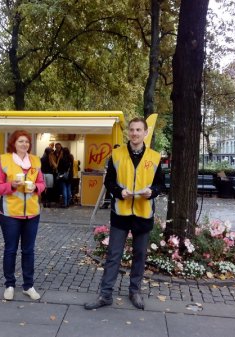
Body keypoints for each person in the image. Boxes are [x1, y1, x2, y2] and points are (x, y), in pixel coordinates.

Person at [84, 117, 163, 311]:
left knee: (140, 255)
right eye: (132, 130)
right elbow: (108, 182)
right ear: (129, 132)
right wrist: (119, 192)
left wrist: (151, 192)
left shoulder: (154, 157)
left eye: (138, 130)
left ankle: (134, 291)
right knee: (113, 255)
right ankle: (105, 294)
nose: (135, 133)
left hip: (143, 214)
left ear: (145, 133)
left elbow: (161, 184)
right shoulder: (117, 154)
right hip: (121, 213)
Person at [0, 130, 45, 301]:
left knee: (28, 251)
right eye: (21, 141)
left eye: (27, 142)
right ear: (14, 143)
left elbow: (42, 183)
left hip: (32, 213)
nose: (24, 144)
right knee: (10, 250)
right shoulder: (5, 160)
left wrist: (36, 187)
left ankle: (28, 286)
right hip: (10, 214)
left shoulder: (35, 161)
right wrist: (11, 185)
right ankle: (9, 285)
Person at [100, 144, 121, 209]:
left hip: (120, 178)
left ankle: (116, 204)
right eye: (116, 149)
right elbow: (106, 166)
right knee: (109, 190)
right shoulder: (110, 157)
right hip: (112, 177)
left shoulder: (122, 158)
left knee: (119, 190)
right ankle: (106, 203)